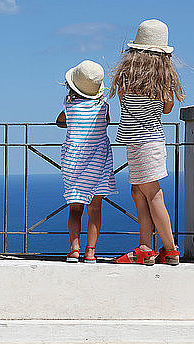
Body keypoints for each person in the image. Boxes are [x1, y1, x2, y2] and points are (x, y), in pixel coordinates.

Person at [109, 19, 184, 265]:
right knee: (139, 191)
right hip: (152, 141)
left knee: (152, 194)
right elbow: (167, 109)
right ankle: (146, 247)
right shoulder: (162, 79)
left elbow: (124, 104)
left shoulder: (126, 77)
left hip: (137, 142)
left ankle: (170, 249)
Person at [57, 60, 118, 263]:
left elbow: (60, 121)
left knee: (75, 209)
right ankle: (90, 252)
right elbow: (107, 121)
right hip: (98, 163)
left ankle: (74, 249)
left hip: (74, 162)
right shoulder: (103, 106)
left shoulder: (69, 105)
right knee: (95, 209)